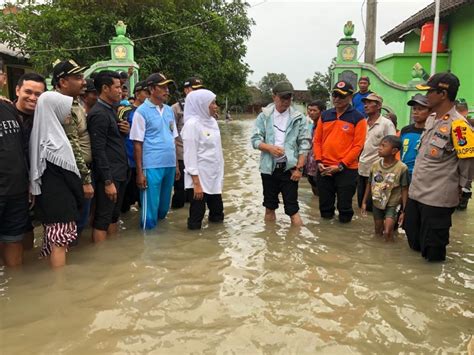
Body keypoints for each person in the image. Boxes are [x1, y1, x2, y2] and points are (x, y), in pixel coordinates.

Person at [405, 72, 474, 262]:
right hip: (417, 193)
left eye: (429, 91)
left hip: (438, 198)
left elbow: (467, 161)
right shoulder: (431, 118)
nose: (426, 96)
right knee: (412, 240)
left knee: (433, 251)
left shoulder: (459, 125)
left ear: (443, 94)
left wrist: (462, 187)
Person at [29, 91, 83, 267]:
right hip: (61, 204)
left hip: (46, 202)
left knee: (49, 242)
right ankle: (59, 285)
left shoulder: (38, 136)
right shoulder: (56, 141)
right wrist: (80, 196)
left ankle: (49, 281)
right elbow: (71, 176)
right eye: (63, 109)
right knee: (60, 244)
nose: (67, 114)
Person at [250, 81, 310, 226]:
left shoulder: (299, 118)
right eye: (282, 97)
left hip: (289, 169)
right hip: (269, 169)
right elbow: (255, 140)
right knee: (269, 207)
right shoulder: (264, 117)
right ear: (274, 97)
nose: (286, 101)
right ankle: (270, 241)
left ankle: (295, 243)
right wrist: (269, 148)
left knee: (293, 209)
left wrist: (299, 168)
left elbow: (305, 144)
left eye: (289, 98)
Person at [130, 73, 180, 230]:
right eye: (162, 87)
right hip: (151, 165)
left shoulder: (168, 110)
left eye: (167, 87)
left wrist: (177, 165)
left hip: (169, 165)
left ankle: (161, 245)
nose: (167, 90)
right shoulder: (141, 112)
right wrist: (139, 172)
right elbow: (137, 143)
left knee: (164, 208)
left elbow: (173, 138)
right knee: (149, 213)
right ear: (151, 89)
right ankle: (148, 244)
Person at [314, 81, 367, 223]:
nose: (336, 99)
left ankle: (344, 238)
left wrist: (341, 165)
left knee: (344, 208)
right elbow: (317, 141)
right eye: (334, 95)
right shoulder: (325, 115)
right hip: (324, 168)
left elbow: (358, 146)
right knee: (325, 208)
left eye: (341, 96)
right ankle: (325, 238)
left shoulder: (358, 118)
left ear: (350, 97)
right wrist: (319, 161)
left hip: (347, 170)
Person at [52, 59, 94, 240]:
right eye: (78, 77)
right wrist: (85, 180)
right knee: (71, 226)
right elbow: (72, 144)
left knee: (77, 224)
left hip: (79, 171)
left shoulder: (75, 103)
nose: (84, 81)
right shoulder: (63, 106)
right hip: (73, 174)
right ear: (62, 82)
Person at [88, 71, 129, 242]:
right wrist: (108, 181)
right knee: (103, 218)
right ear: (105, 88)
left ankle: (111, 254)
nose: (121, 91)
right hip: (109, 175)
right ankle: (100, 256)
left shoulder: (111, 110)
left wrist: (124, 132)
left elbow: (112, 142)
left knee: (113, 215)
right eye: (117, 87)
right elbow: (98, 150)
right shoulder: (99, 114)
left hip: (119, 172)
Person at [181, 89, 224, 229]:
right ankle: (194, 246)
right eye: (212, 103)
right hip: (199, 179)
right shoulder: (192, 125)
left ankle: (215, 245)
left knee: (217, 214)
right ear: (202, 104)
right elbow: (189, 155)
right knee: (196, 216)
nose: (215, 106)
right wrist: (196, 184)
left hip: (214, 177)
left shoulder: (212, 122)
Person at [13, 72, 47, 250]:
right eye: (28, 92)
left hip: (36, 183)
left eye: (38, 94)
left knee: (29, 227)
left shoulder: (44, 120)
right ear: (17, 90)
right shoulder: (6, 115)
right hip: (10, 186)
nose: (33, 98)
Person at [361, 135, 409, 241]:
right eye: (380, 145)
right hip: (377, 203)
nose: (380, 148)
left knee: (387, 232)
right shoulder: (375, 165)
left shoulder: (402, 168)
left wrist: (404, 211)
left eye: (383, 146)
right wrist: (364, 202)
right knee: (378, 232)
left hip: (392, 204)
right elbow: (369, 183)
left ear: (394, 151)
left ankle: (389, 253)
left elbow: (405, 189)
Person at [0, 100, 29, 267]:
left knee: (14, 239)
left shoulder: (8, 107)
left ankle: (14, 287)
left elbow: (22, 146)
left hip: (16, 188)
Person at [357, 93, 396, 210]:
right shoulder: (362, 123)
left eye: (369, 103)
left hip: (379, 170)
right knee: (360, 204)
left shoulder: (386, 124)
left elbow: (393, 144)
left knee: (375, 205)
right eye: (365, 103)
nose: (365, 106)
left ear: (378, 106)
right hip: (362, 168)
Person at [171, 77, 204, 209]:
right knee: (179, 191)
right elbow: (171, 135)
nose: (197, 92)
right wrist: (175, 164)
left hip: (199, 156)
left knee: (196, 192)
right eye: (194, 89)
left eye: (200, 89)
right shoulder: (175, 109)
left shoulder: (204, 109)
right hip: (181, 155)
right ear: (186, 90)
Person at [119, 80, 149, 213]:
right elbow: (118, 131)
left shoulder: (154, 111)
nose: (149, 95)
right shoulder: (126, 111)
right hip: (129, 161)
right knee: (125, 202)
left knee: (145, 200)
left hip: (148, 161)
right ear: (137, 93)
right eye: (146, 92)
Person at [400, 94, 430, 180]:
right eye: (414, 109)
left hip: (422, 176)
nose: (416, 112)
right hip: (404, 174)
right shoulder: (405, 130)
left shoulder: (430, 131)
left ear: (430, 111)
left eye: (420, 109)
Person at [306, 100, 326, 196]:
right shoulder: (310, 126)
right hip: (310, 164)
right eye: (309, 110)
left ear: (322, 112)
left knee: (323, 192)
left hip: (321, 164)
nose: (311, 113)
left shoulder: (325, 127)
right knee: (314, 189)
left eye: (314, 110)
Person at [455, 99, 472, 210]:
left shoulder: (459, 125)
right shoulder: (467, 123)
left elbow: (462, 144)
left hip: (461, 164)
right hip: (466, 167)